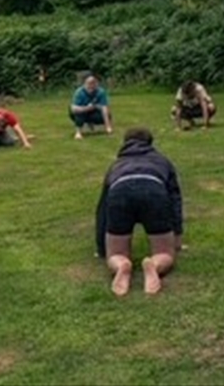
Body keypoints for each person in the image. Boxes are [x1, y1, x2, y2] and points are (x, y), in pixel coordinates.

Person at [94, 128, 182, 295]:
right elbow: (175, 200)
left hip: (120, 191)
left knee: (116, 253)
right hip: (153, 189)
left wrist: (102, 248)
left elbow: (102, 207)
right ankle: (154, 265)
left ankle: (121, 265)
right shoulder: (162, 161)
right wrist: (176, 236)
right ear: (150, 143)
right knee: (165, 252)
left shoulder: (116, 165)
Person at [70, 74, 113, 139]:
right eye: (89, 83)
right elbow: (73, 108)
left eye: (94, 83)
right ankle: (78, 132)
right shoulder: (79, 92)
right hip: (80, 111)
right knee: (79, 114)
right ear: (84, 84)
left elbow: (104, 108)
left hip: (93, 111)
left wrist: (108, 127)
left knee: (108, 114)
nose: (91, 86)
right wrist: (86, 109)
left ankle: (92, 123)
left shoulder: (101, 92)